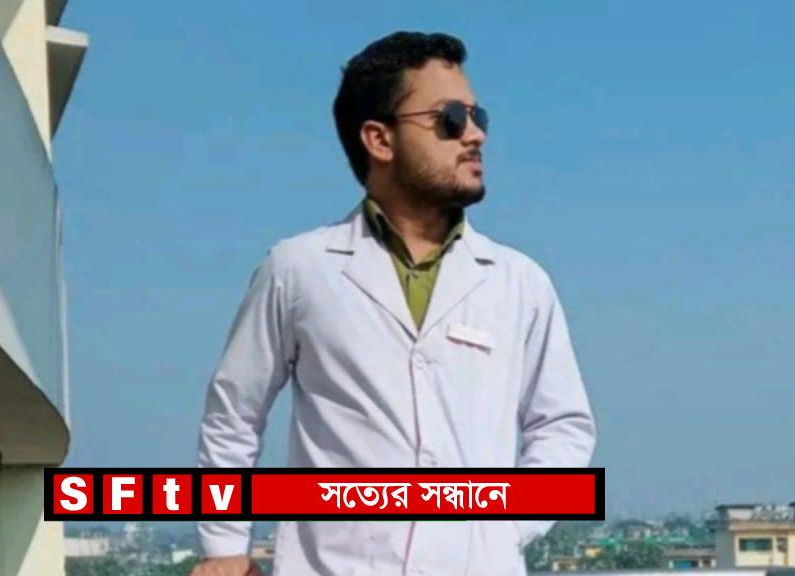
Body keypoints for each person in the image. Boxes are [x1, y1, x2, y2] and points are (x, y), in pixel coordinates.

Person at [191, 31, 596, 576]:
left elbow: (563, 427)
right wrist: (224, 548)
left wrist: (503, 526)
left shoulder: (519, 282)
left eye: (478, 116)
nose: (474, 134)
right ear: (380, 140)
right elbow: (234, 414)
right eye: (450, 118)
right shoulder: (299, 269)